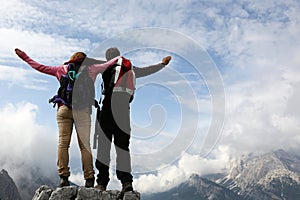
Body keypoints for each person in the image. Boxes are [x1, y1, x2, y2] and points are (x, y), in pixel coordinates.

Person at [14, 48, 121, 187]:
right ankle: (89, 179)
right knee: (85, 146)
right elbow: (110, 64)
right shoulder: (92, 69)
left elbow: (40, 67)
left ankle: (63, 177)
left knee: (63, 143)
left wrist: (24, 57)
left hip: (64, 110)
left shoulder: (62, 69)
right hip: (82, 111)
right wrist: (120, 58)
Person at [94, 47, 171, 197]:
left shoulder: (105, 67)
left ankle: (101, 183)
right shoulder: (130, 68)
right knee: (123, 147)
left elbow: (87, 68)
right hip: (124, 112)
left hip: (108, 111)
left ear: (108, 58)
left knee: (104, 146)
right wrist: (162, 64)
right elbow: (148, 70)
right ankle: (126, 182)